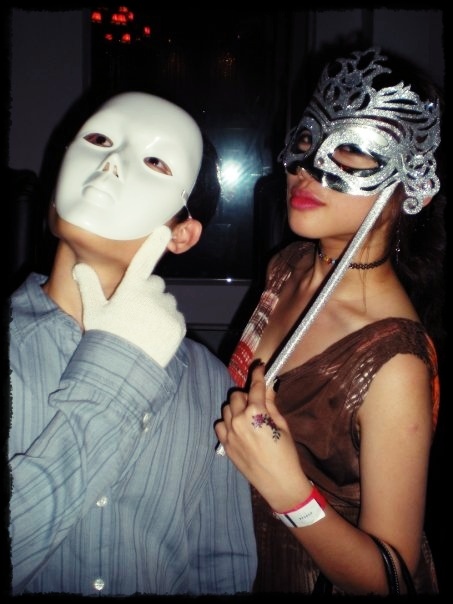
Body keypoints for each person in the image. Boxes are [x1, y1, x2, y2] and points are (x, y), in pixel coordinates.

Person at [215, 46, 445, 595]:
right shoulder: (289, 266)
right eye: (305, 140)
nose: (306, 168)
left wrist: (290, 493)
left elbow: (392, 580)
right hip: (222, 553)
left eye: (352, 152)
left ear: (409, 185)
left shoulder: (396, 364)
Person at [8, 91, 257, 596]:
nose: (111, 163)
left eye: (155, 162)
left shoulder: (209, 383)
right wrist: (120, 370)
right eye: (99, 139)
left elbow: (222, 564)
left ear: (182, 235)